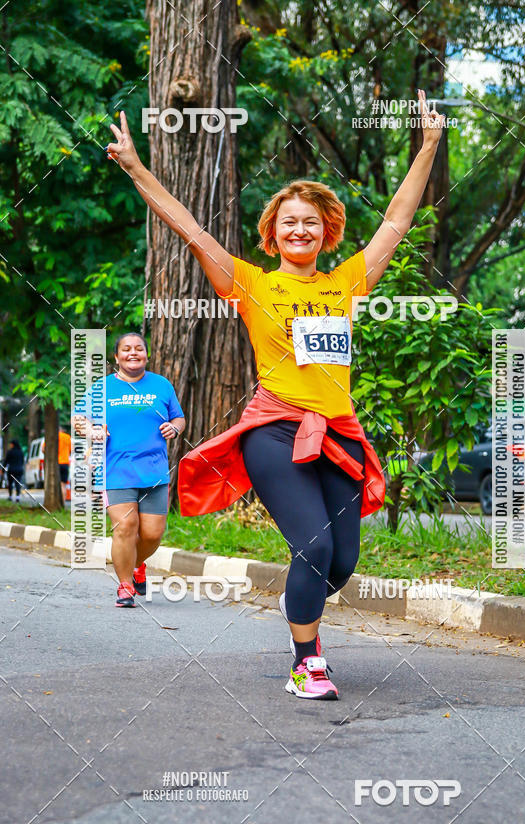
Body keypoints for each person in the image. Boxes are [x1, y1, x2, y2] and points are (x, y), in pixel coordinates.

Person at [106, 89, 444, 695]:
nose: (300, 228)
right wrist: (136, 168)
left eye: (311, 221)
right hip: (275, 429)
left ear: (326, 231)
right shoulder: (251, 283)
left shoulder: (347, 282)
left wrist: (427, 148)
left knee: (341, 561)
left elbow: (396, 222)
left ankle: (304, 612)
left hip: (338, 430)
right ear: (273, 232)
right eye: (289, 220)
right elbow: (186, 226)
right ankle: (305, 661)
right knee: (313, 546)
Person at [73, 333, 185, 608]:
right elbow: (78, 418)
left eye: (138, 348)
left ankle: (136, 565)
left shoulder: (161, 385)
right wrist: (92, 430)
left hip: (154, 471)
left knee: (152, 534)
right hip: (116, 470)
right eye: (126, 349)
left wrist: (175, 428)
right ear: (117, 357)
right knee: (126, 527)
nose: (132, 353)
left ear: (147, 354)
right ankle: (125, 586)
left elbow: (178, 417)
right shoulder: (102, 388)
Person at [58, 426, 72, 502]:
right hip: (65, 463)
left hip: (55, 464)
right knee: (63, 485)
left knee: (55, 485)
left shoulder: (52, 437)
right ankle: (62, 503)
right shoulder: (67, 437)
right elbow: (71, 449)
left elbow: (43, 449)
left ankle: (55, 502)